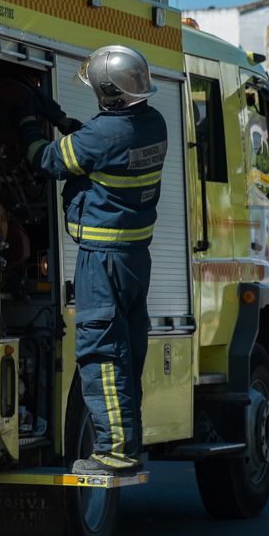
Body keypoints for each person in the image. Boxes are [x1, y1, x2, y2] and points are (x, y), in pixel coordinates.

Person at [19, 45, 167, 476]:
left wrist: (29, 122)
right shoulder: (151, 122)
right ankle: (128, 445)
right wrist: (63, 120)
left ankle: (114, 454)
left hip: (101, 261)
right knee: (126, 355)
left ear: (107, 93)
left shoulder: (104, 135)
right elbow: (100, 148)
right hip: (134, 259)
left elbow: (47, 160)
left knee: (101, 355)